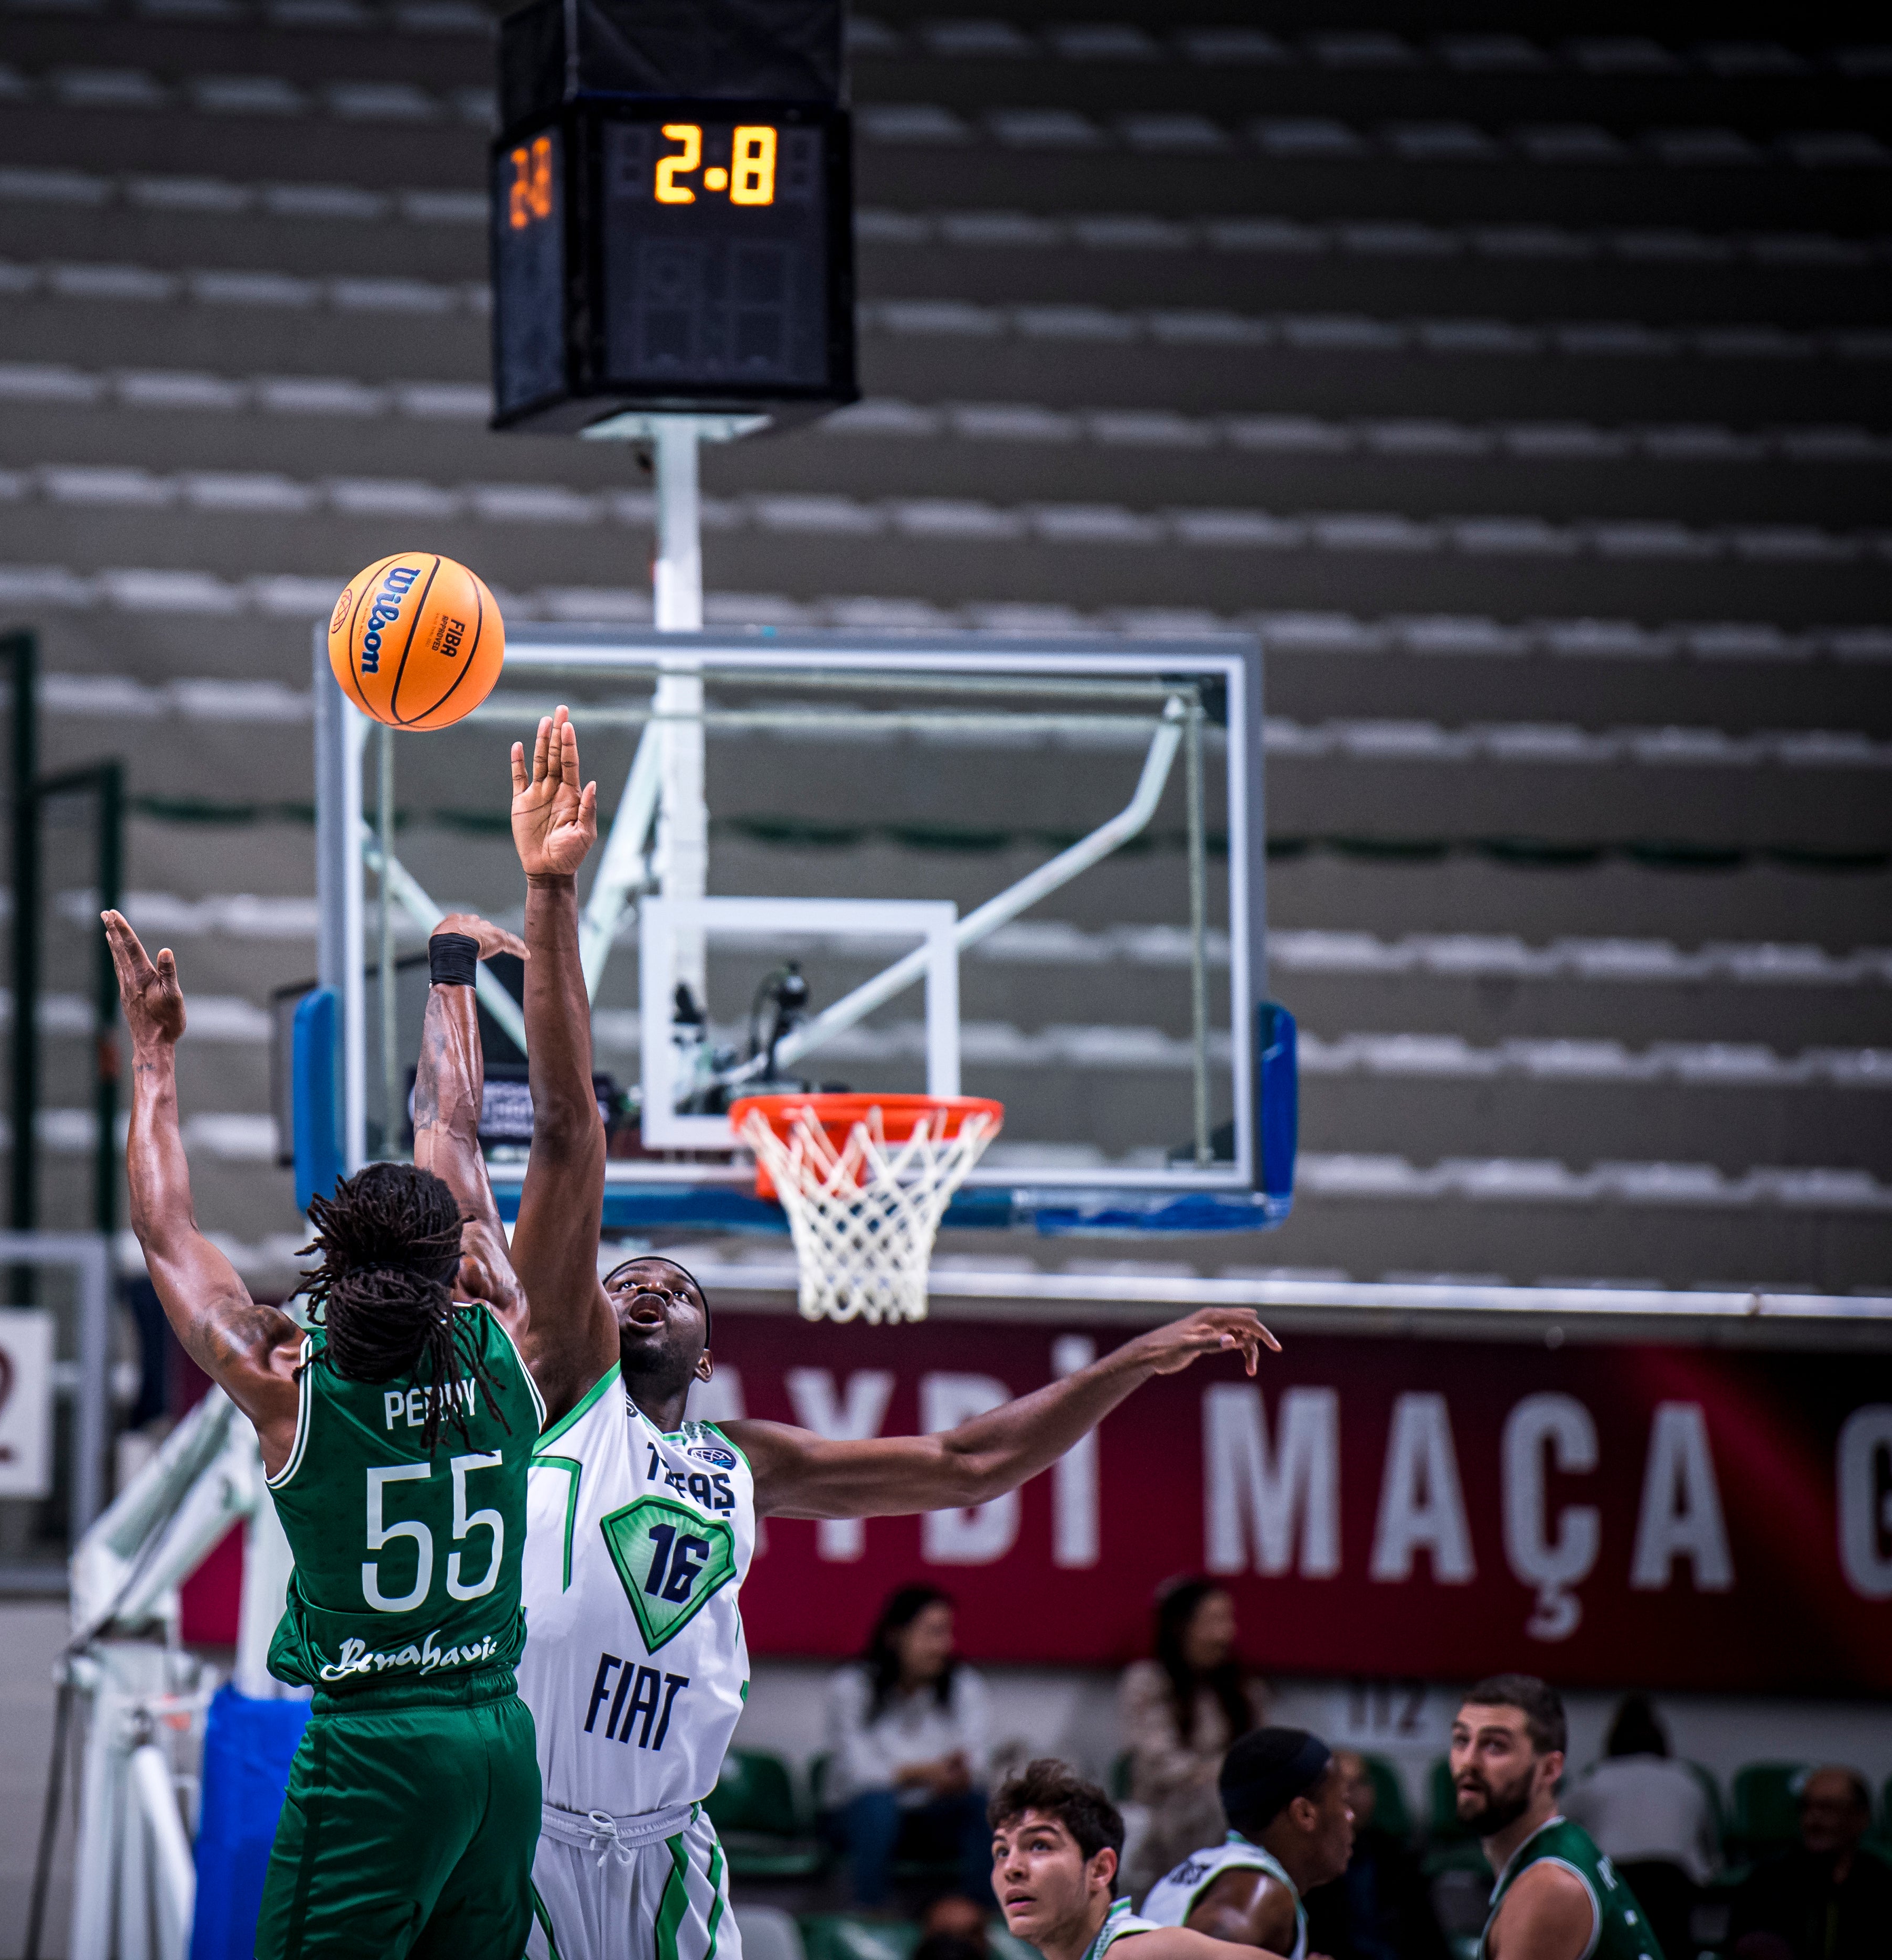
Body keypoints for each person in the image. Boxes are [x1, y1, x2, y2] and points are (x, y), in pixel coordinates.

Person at [461, 713, 1282, 1960]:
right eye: (615, 1277)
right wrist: (550, 890)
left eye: (666, 1284)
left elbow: (966, 1464)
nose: (634, 1288)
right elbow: (571, 1132)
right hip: (533, 1840)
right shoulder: (569, 1391)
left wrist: (1124, 1363)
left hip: (676, 1851)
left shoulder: (749, 1462)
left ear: (708, 1348)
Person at [99, 706, 619, 1959]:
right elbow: (464, 1134)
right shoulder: (506, 1345)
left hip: (376, 1746)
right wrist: (455, 968)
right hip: (500, 1749)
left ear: (325, 1274)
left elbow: (168, 1235)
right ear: (456, 1265)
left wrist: (155, 1062)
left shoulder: (291, 1380)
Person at [1448, 1674, 1664, 1960]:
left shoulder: (1549, 1889)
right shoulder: (1567, 1845)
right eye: (1462, 1740)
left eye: (1495, 1746)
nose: (1469, 1762)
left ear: (1550, 1769)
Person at [985, 1757, 1279, 1958]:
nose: (1011, 1868)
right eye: (1001, 1851)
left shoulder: (1138, 1952)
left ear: (1100, 1870)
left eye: (1039, 1846)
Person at [828, 1584, 993, 1910]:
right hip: (856, 1816)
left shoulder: (965, 1686)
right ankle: (872, 1917)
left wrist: (955, 1777)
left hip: (936, 1813)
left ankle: (980, 1917)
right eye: (933, 1633)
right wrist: (931, 1771)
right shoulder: (851, 1687)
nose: (945, 1646)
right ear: (895, 1636)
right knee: (876, 1806)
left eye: (948, 1633)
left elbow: (976, 1765)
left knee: (983, 1806)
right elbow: (862, 1775)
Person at [1139, 1727, 1355, 1957]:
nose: (1350, 1816)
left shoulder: (1206, 1864)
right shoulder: (1262, 1891)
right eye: (1343, 1801)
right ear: (1305, 1814)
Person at [1122, 1579, 1269, 1894]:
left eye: (1228, 1621)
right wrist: (1226, 1774)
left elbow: (1263, 1754)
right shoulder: (1147, 1683)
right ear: (1180, 1628)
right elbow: (1160, 1764)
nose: (1225, 1634)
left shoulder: (1246, 1692)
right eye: (1213, 1622)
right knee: (1219, 1801)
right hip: (1167, 1815)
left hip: (1236, 1807)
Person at [1726, 1767, 1892, 1960]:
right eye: (1806, 1808)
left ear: (1861, 1817)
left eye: (1828, 1808)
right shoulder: (1766, 1884)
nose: (1813, 1820)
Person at [1560, 1696, 1715, 1958]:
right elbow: (1708, 1848)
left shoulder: (1597, 1780)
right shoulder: (1687, 1781)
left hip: (1615, 1885)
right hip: (1673, 1887)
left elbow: (1553, 1823)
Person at [1303, 1750, 1451, 1960]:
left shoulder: (1398, 1859)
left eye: (1360, 1783)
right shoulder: (1306, 1865)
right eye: (1341, 1784)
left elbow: (1430, 1942)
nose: (1351, 1794)